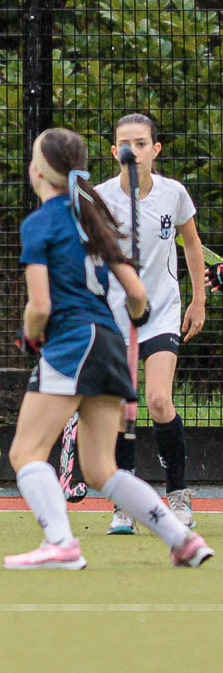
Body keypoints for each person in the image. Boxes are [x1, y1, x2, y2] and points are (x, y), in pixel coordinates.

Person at [5, 127, 211, 570]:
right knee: (101, 468)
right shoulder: (93, 218)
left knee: (24, 453)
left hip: (72, 342)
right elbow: (137, 294)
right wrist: (139, 315)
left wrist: (30, 335)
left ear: (39, 171)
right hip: (109, 343)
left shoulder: (40, 223)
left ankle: (60, 542)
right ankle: (182, 540)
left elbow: (39, 306)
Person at [94, 113, 205, 534]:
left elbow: (191, 243)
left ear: (155, 150)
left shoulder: (173, 194)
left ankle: (177, 495)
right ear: (114, 152)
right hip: (115, 316)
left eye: (141, 144)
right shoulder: (99, 198)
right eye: (126, 144)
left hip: (161, 311)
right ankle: (125, 505)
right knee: (123, 410)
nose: (133, 152)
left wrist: (198, 299)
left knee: (158, 400)